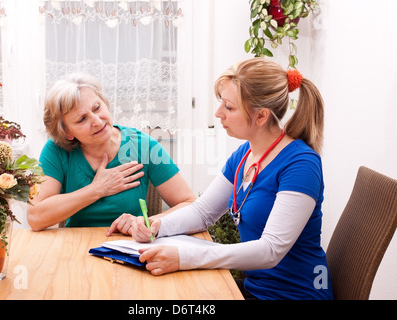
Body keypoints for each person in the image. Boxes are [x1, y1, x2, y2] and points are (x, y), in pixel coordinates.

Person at [131, 58, 334, 300]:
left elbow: (270, 250)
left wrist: (185, 257)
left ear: (261, 116)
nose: (218, 114)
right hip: (257, 288)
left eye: (228, 107)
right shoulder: (245, 154)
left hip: (294, 294)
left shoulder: (301, 164)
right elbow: (203, 212)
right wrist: (158, 226)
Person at [27, 73, 195, 233]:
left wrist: (147, 222)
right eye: (82, 119)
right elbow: (35, 217)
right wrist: (96, 189)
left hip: (131, 247)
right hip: (74, 249)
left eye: (97, 108)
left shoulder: (144, 145)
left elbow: (190, 204)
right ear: (67, 133)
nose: (97, 121)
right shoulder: (56, 150)